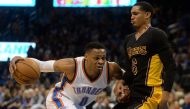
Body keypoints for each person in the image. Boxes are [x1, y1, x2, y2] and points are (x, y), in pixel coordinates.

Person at [9, 42, 126, 109]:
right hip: (59, 98)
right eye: (96, 58)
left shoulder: (111, 69)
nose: (101, 61)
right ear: (86, 57)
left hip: (79, 106)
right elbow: (42, 65)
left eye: (103, 58)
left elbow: (130, 77)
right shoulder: (72, 65)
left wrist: (121, 83)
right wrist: (20, 60)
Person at [113, 1, 177, 109]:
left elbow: (170, 66)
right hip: (134, 93)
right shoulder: (128, 40)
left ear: (147, 15)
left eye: (135, 14)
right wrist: (121, 82)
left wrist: (165, 97)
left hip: (151, 92)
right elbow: (129, 71)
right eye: (131, 14)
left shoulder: (157, 35)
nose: (132, 17)